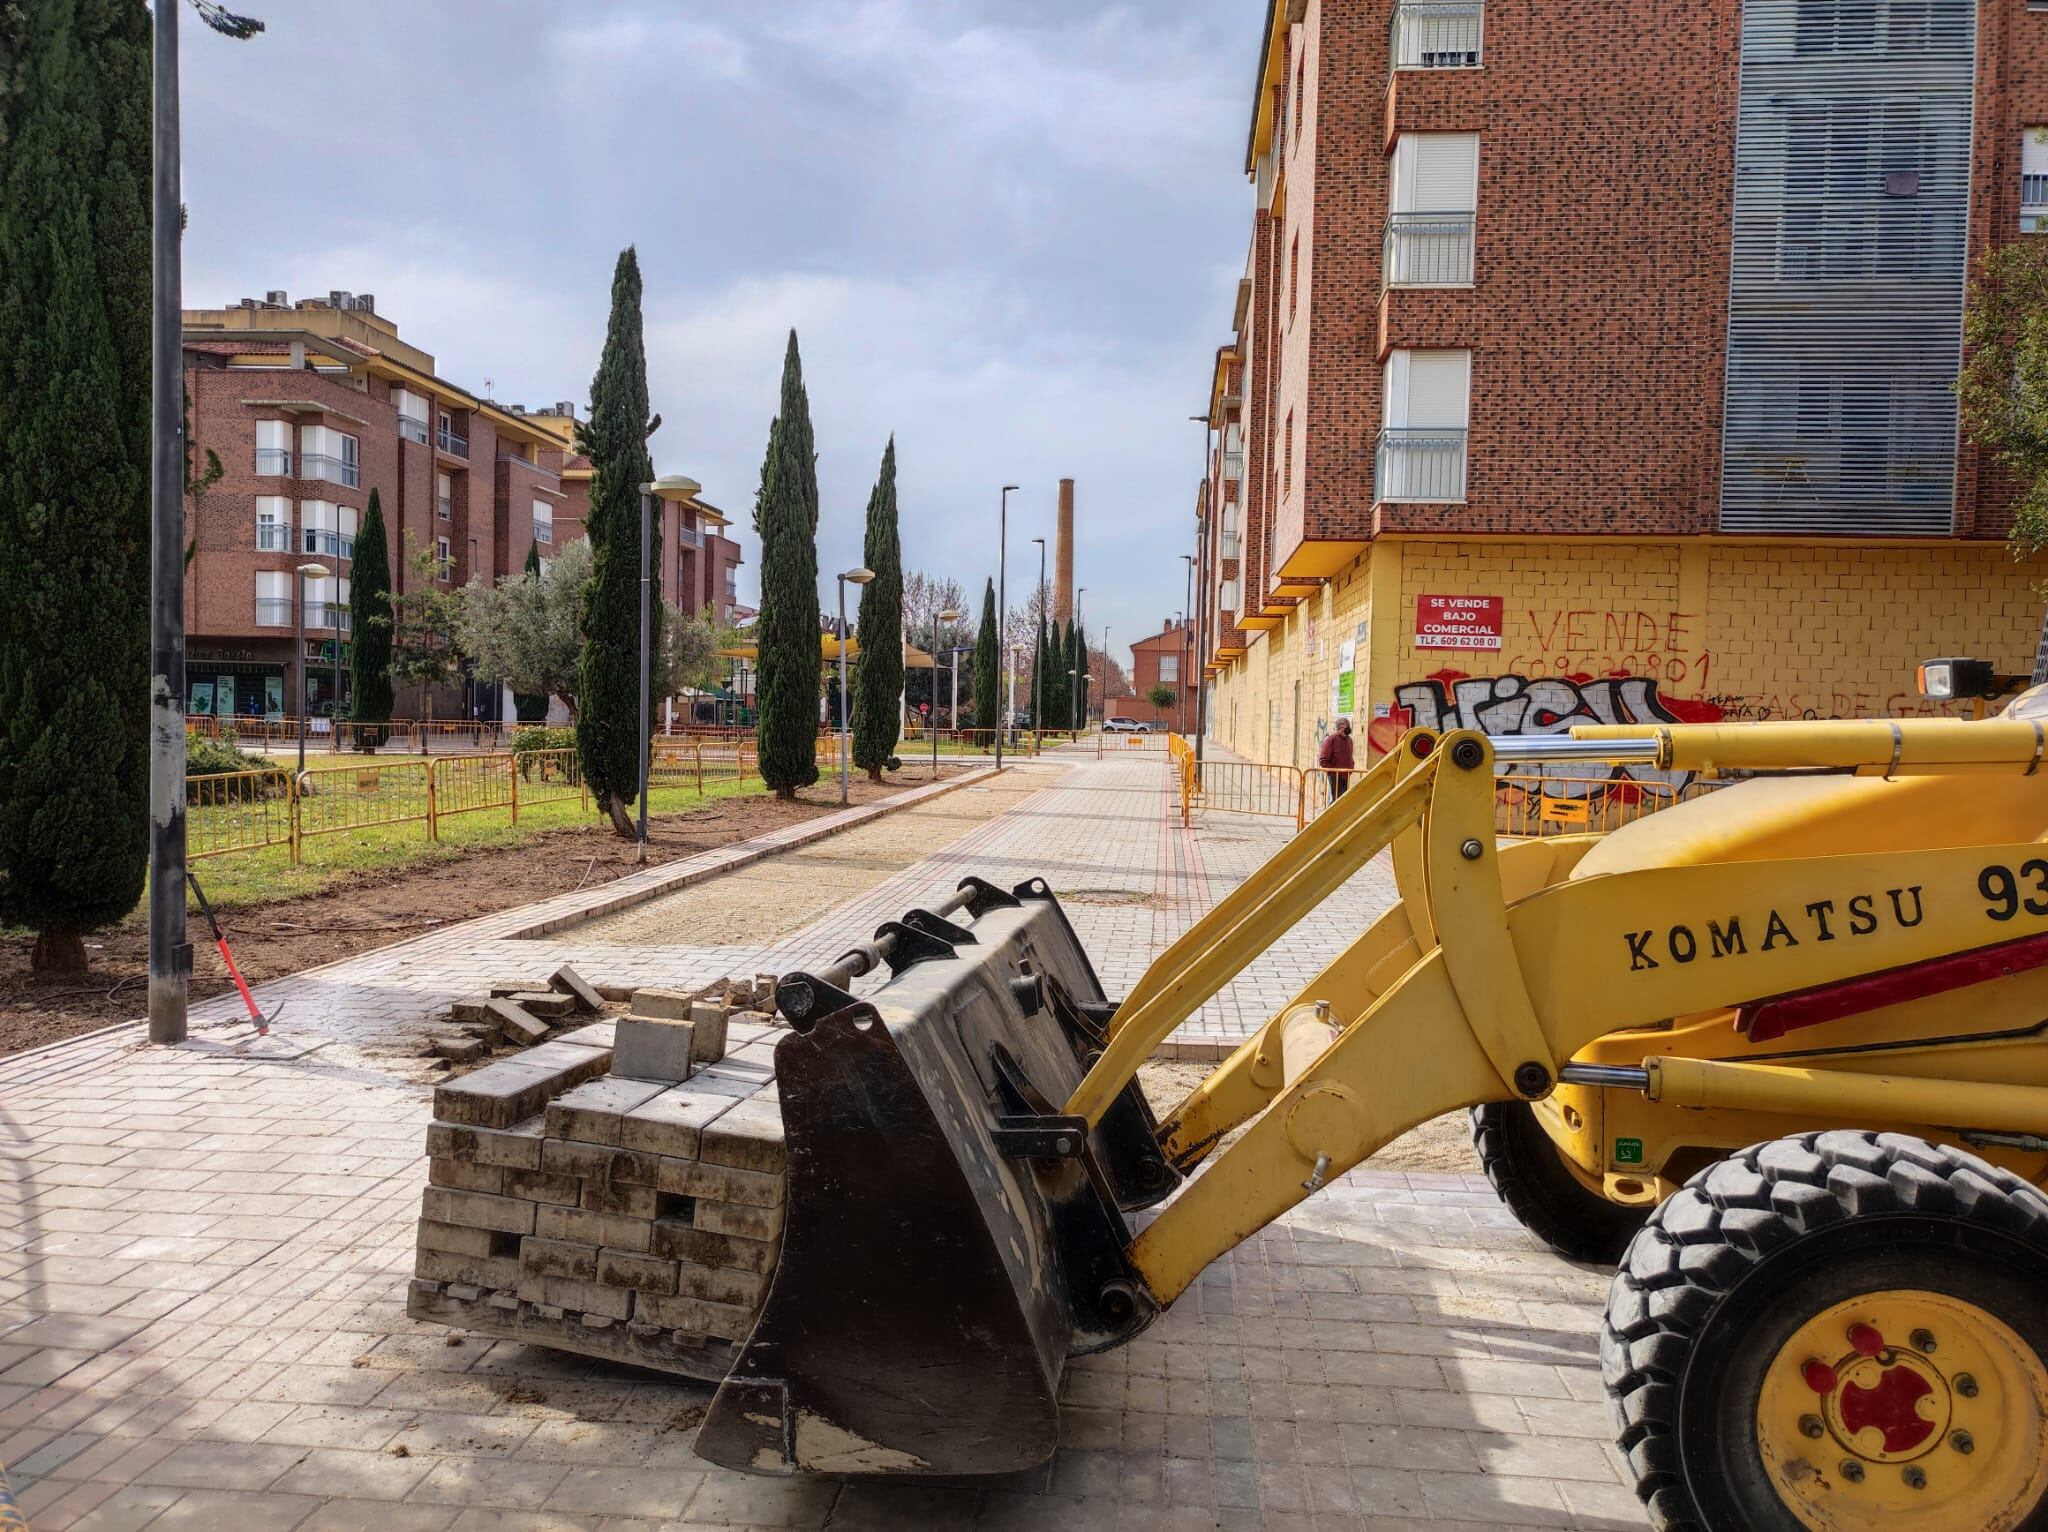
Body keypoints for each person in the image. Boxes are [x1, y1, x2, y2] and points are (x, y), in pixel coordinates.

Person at [1318, 717, 1355, 801]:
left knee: (1342, 800)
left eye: (1348, 725)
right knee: (1337, 801)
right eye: (1346, 726)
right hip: (1335, 775)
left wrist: (1351, 766)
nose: (1348, 728)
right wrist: (1333, 773)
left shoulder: (1349, 740)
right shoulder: (1331, 740)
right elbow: (1323, 760)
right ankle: (1329, 814)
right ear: (1340, 728)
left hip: (1346, 775)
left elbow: (1350, 756)